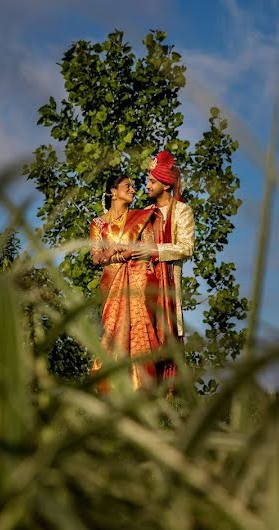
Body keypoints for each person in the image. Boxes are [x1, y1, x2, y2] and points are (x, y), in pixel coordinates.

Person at [125, 150, 194, 381]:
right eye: (148, 181)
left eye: (152, 181)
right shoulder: (144, 214)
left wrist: (155, 251)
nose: (146, 186)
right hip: (144, 284)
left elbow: (186, 247)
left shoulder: (183, 211)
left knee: (168, 334)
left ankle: (169, 397)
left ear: (165, 185)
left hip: (169, 284)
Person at [89, 174, 159, 389]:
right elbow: (95, 258)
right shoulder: (98, 224)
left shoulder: (141, 218)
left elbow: (149, 249)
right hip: (113, 283)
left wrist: (140, 257)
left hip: (138, 281)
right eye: (127, 186)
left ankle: (143, 388)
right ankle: (110, 386)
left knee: (139, 329)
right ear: (113, 191)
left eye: (133, 187)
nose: (133, 190)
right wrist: (115, 253)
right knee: (113, 330)